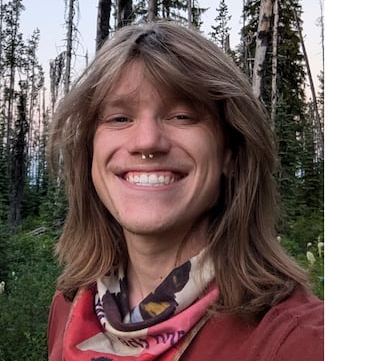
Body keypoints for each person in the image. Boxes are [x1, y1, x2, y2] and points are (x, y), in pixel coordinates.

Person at [46, 21, 323, 360]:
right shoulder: (71, 306)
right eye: (119, 118)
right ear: (90, 155)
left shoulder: (297, 340)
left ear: (230, 153)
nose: (147, 141)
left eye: (181, 116)